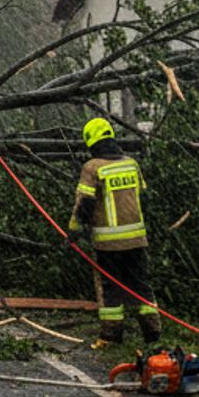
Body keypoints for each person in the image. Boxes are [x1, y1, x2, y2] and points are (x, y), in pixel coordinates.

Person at [69, 117, 160, 348]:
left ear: (90, 141)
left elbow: (85, 205)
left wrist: (74, 232)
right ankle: (152, 333)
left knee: (111, 289)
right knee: (141, 286)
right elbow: (144, 198)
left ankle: (111, 337)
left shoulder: (92, 168)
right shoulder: (131, 164)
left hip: (108, 243)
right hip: (137, 239)